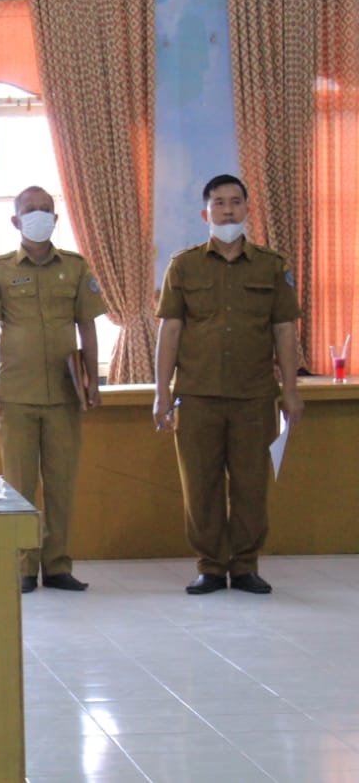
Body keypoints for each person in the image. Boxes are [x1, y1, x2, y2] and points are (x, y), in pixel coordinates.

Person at [154, 174, 303, 596]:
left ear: (247, 209)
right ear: (206, 213)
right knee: (200, 486)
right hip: (198, 395)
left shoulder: (272, 266)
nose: (228, 209)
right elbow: (171, 331)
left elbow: (284, 332)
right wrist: (161, 393)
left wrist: (290, 391)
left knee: (251, 484)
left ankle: (245, 565)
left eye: (235, 202)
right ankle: (210, 566)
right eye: (219, 203)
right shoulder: (184, 266)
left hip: (254, 396)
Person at [0, 186, 104, 594]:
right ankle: (24, 567)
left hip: (65, 394)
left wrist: (92, 382)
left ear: (56, 217)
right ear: (16, 221)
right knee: (19, 484)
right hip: (15, 394)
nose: (39, 215)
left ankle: (58, 564)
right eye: (31, 210)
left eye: (46, 209)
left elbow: (87, 324)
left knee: (61, 482)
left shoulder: (76, 267)